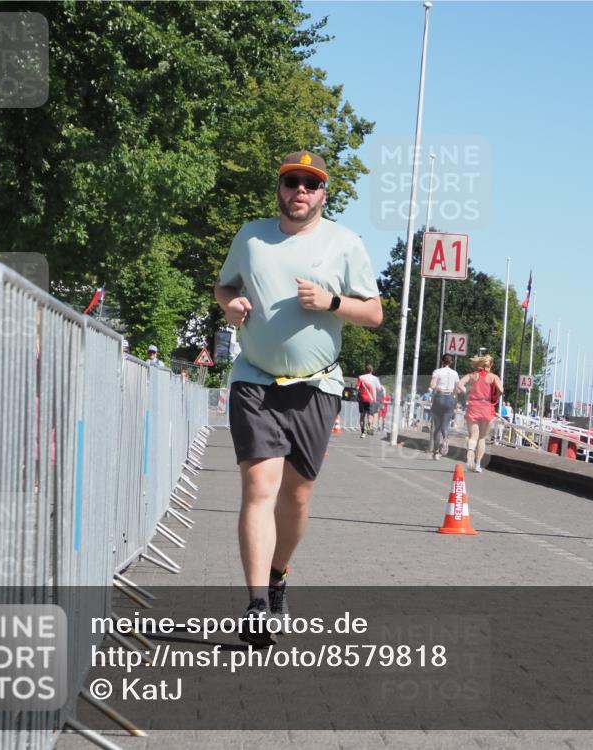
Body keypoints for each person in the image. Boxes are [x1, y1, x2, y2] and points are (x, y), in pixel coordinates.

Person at [213, 150, 382, 647]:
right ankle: (256, 605)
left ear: (324, 193)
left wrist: (332, 302)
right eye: (292, 182)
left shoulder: (344, 243)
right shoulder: (251, 237)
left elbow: (374, 314)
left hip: (317, 386)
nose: (300, 191)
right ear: (280, 188)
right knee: (258, 489)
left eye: (311, 184)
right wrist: (231, 305)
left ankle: (278, 574)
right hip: (255, 381)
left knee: (297, 496)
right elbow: (224, 287)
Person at [457, 354, 503, 473]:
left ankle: (470, 452)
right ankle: (478, 464)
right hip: (486, 407)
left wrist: (467, 392)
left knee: (473, 436)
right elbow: (501, 390)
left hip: (473, 406)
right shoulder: (493, 377)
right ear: (491, 365)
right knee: (482, 438)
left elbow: (459, 384)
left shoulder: (471, 375)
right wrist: (495, 397)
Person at [429, 354, 459, 459]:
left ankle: (436, 452)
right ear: (451, 362)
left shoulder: (437, 372)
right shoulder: (455, 373)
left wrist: (438, 388)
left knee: (437, 427)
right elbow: (457, 389)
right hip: (450, 398)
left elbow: (432, 385)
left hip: (440, 397)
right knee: (444, 426)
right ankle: (445, 438)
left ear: (442, 361)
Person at [356, 364, 383, 437]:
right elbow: (379, 388)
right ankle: (368, 429)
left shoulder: (361, 377)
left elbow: (357, 388)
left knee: (362, 415)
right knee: (370, 416)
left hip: (362, 399)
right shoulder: (375, 378)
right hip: (371, 399)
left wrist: (361, 392)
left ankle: (362, 432)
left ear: (365, 370)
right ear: (372, 370)